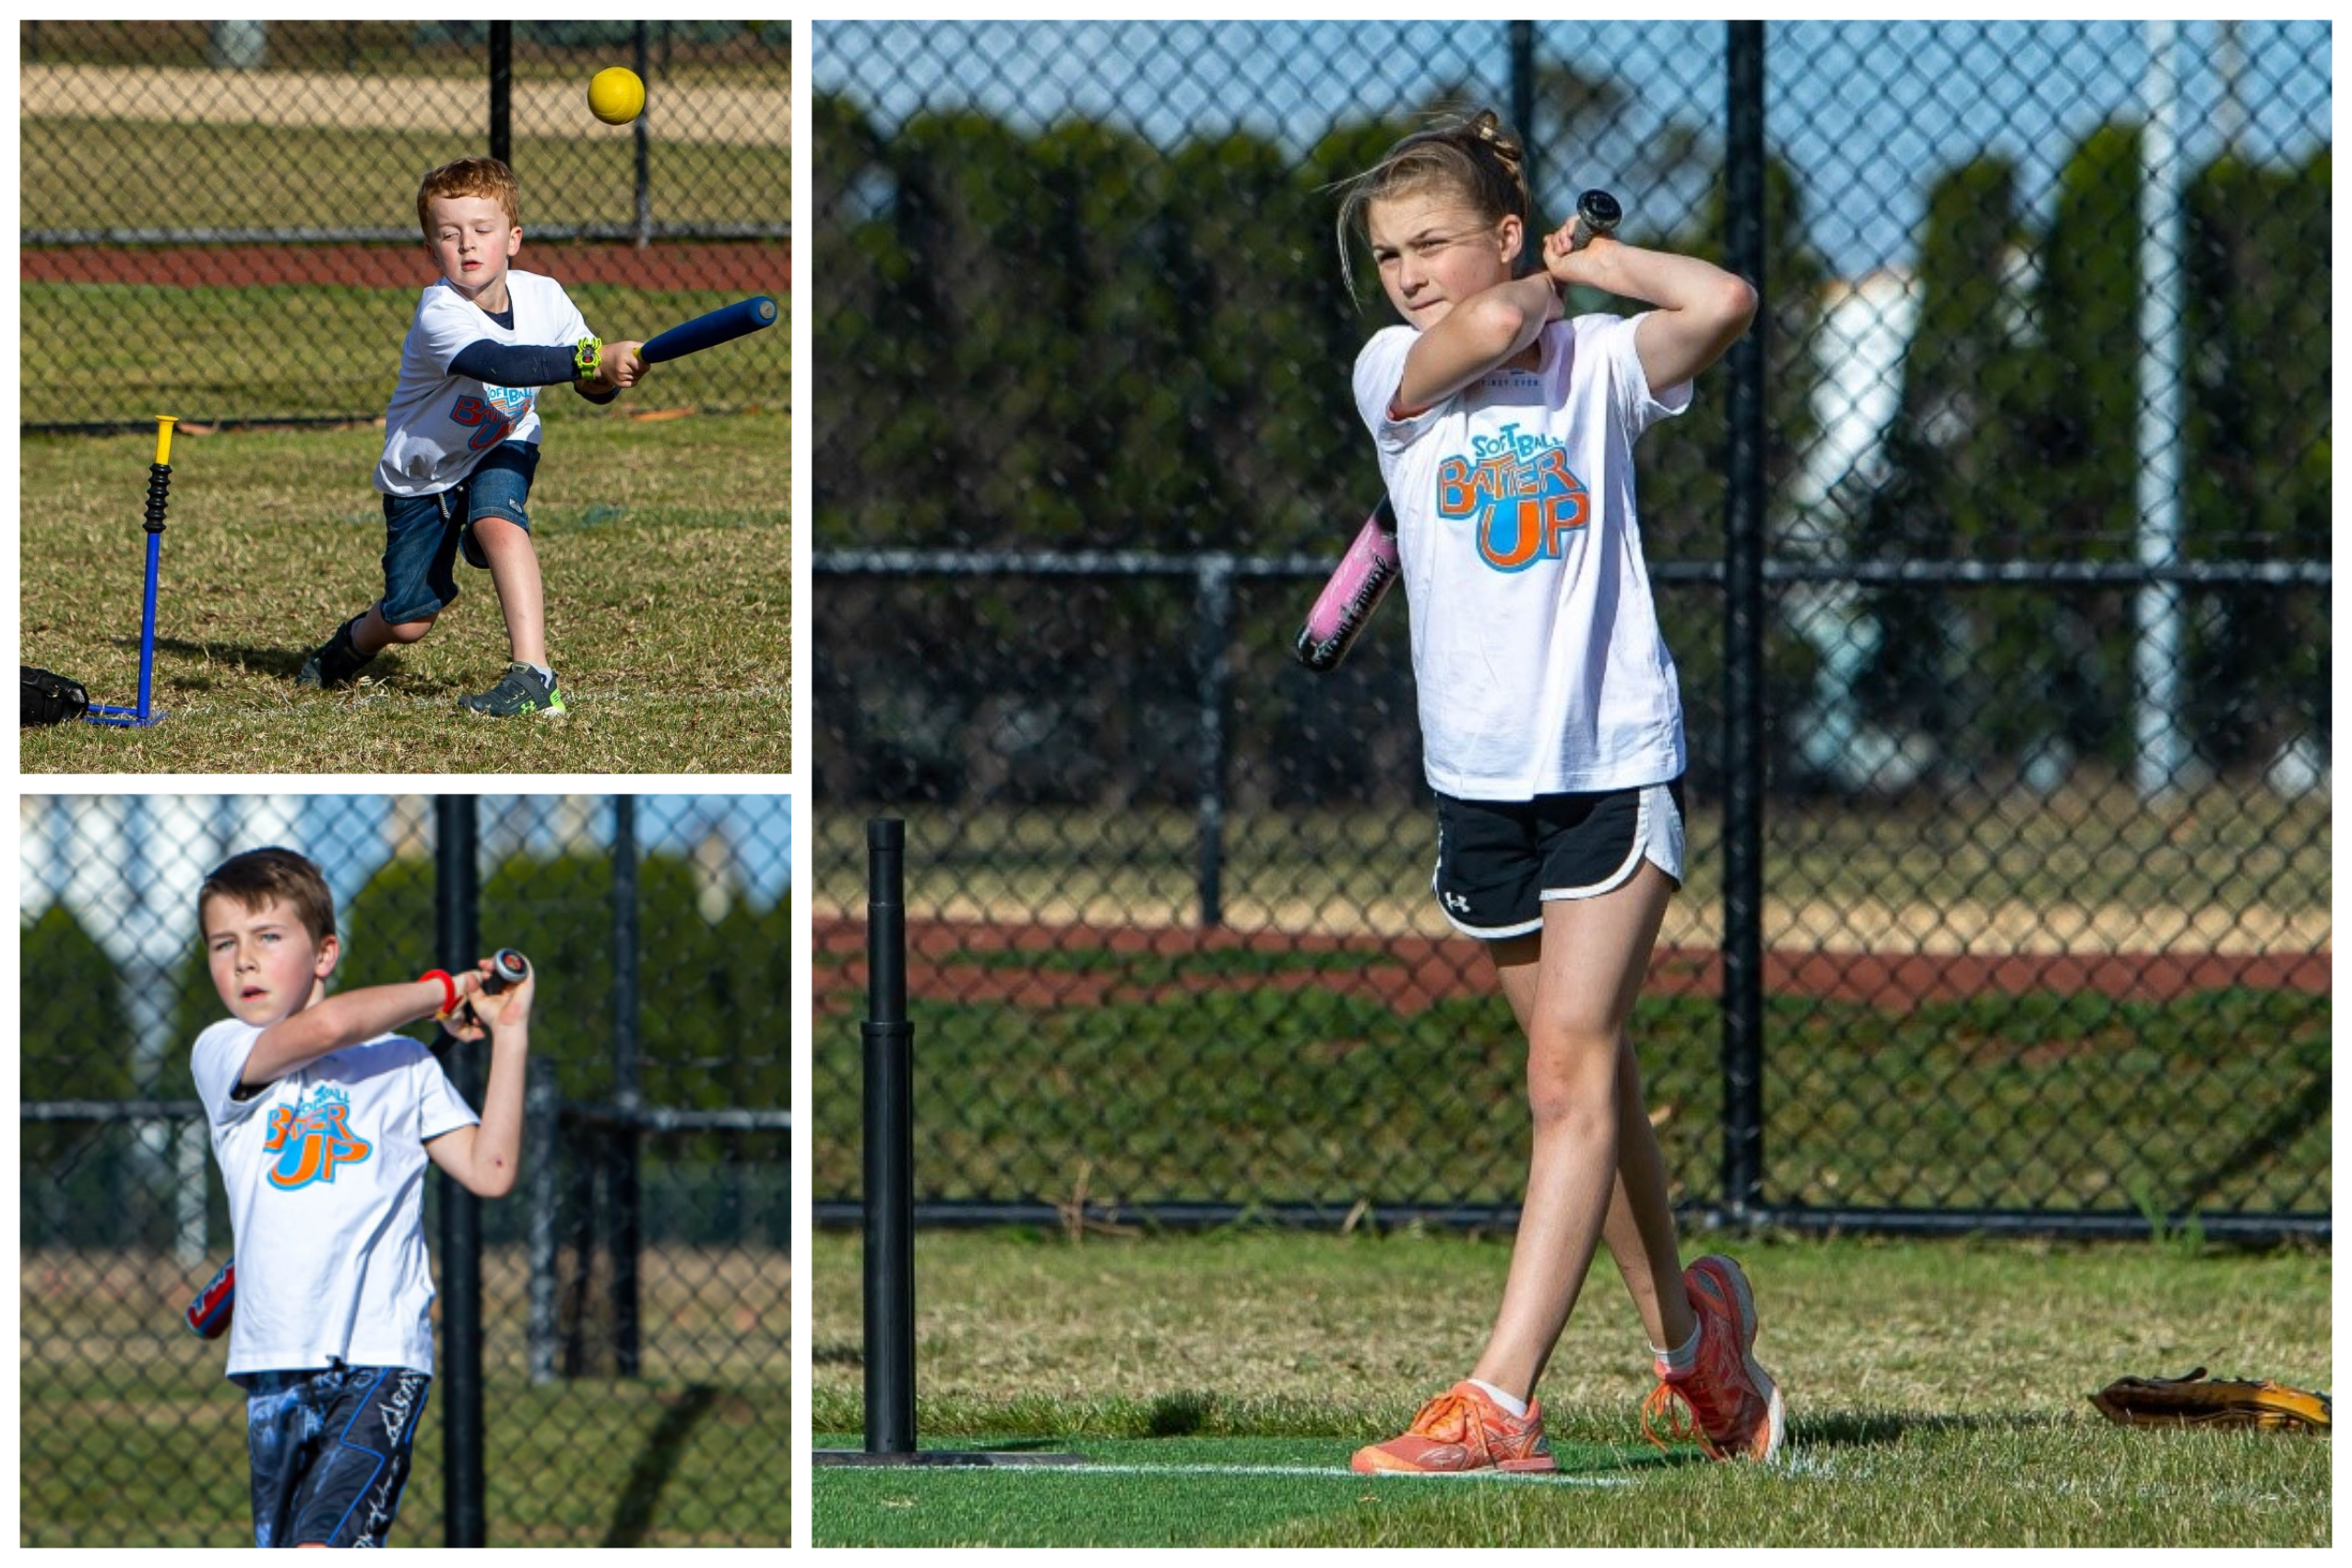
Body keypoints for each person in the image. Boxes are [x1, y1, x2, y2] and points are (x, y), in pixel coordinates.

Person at [1336, 110, 1783, 1474]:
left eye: (1433, 243)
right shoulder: (1393, 370)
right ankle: (1699, 1356)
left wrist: (1596, 268)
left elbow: (1722, 301)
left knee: (1566, 1074)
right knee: (1594, 1084)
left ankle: (1500, 1402)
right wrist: (1533, 282)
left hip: (1609, 763)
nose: (1409, 274)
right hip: (1481, 785)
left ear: (1505, 234)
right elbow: (1480, 331)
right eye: (1389, 255)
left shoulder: (1594, 367)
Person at [189, 847, 535, 1545]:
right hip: (273, 1360)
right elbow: (327, 1029)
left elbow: (491, 1169)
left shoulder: (402, 1064)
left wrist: (510, 1034)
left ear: (325, 954)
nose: (244, 961)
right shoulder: (222, 1051)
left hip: (380, 1357)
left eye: (268, 937)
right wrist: (444, 989)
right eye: (224, 944)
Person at [298, 156, 649, 715]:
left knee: (497, 521)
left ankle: (534, 677)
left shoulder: (546, 297)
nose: (467, 244)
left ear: (513, 239)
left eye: (483, 230)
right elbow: (501, 364)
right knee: (410, 620)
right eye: (449, 234)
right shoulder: (439, 312)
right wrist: (590, 358)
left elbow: (592, 387)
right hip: (424, 475)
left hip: (502, 442)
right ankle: (350, 645)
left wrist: (609, 375)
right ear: (430, 249)